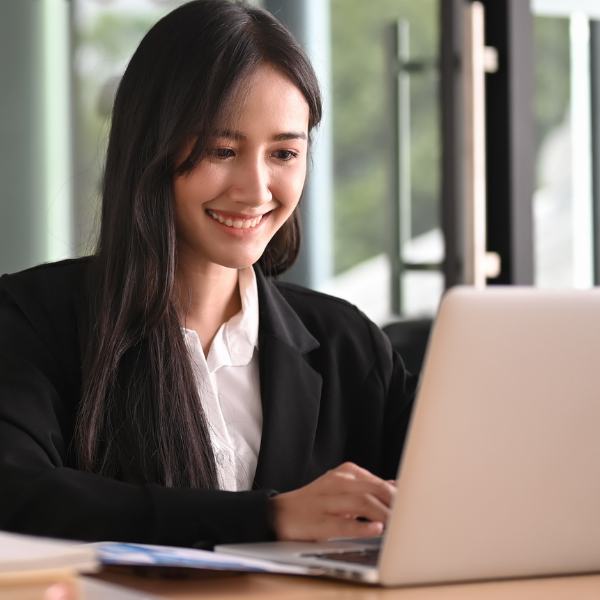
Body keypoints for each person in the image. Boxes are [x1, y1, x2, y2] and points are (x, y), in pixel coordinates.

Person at [0, 0, 415, 547]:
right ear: (152, 148)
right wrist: (267, 519)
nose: (256, 189)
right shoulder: (30, 321)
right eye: (222, 149)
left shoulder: (350, 345)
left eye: (285, 154)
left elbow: (454, 493)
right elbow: (19, 496)